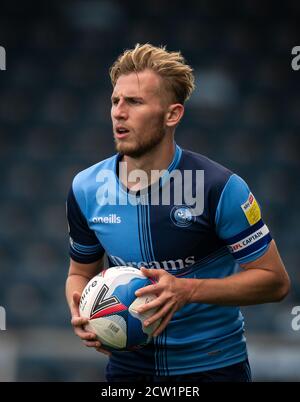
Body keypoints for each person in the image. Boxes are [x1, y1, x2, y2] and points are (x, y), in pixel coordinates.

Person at [65, 43, 290, 382]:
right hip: (128, 373)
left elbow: (275, 282)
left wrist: (188, 290)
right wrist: (82, 310)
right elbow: (80, 273)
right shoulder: (86, 188)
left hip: (213, 368)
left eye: (135, 102)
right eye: (115, 101)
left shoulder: (219, 187)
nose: (118, 112)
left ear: (172, 114)